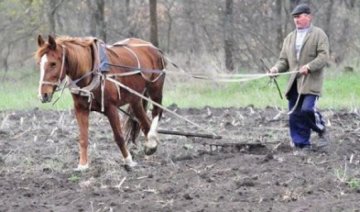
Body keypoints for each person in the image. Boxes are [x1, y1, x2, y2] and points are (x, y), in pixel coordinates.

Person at [268, 3, 330, 150]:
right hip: (294, 83)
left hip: (311, 82)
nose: (296, 20)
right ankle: (301, 144)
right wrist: (276, 68)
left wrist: (309, 67)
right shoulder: (289, 38)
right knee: (295, 115)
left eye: (299, 17)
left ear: (308, 17)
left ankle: (321, 129)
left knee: (307, 110)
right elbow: (284, 60)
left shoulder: (319, 34)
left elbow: (323, 56)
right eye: (294, 17)